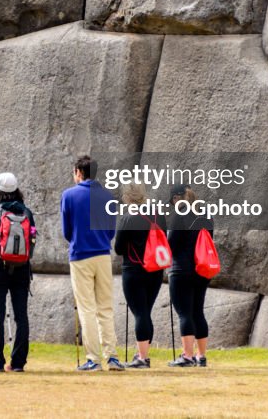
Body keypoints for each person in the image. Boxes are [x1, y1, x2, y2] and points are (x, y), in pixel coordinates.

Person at [61, 155, 123, 372]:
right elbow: (111, 231)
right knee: (105, 307)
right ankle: (112, 357)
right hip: (103, 254)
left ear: (79, 172)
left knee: (87, 308)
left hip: (80, 255)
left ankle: (93, 358)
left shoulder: (68, 195)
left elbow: (67, 231)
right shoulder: (108, 197)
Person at [0, 172, 35, 373]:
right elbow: (32, 242)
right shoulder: (26, 213)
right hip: (21, 270)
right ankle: (18, 363)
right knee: (21, 316)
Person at [113, 183, 166, 369]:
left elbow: (118, 248)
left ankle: (142, 359)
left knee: (140, 313)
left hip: (134, 270)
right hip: (156, 271)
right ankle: (143, 353)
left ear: (127, 197)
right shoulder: (158, 216)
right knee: (145, 312)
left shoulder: (127, 218)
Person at [167, 184, 214, 368]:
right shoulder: (206, 214)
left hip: (182, 270)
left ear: (177, 198)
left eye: (172, 201)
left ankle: (187, 356)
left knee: (184, 313)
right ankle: (201, 356)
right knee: (198, 311)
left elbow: (172, 244)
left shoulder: (180, 214)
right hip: (202, 270)